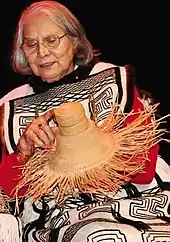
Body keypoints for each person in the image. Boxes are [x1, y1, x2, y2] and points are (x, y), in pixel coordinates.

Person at [0, 1, 161, 241]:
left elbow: (143, 169)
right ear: (22, 52)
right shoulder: (14, 103)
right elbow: (12, 191)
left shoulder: (111, 80)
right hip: (52, 215)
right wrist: (25, 153)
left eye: (52, 40)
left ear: (74, 41)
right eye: (31, 44)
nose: (42, 52)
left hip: (122, 201)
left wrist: (85, 143)